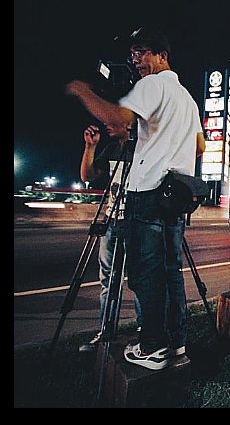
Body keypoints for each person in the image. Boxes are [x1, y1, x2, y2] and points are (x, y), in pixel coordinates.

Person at [66, 27, 205, 371]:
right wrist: (163, 143)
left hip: (148, 193)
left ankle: (153, 347)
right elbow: (200, 146)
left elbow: (116, 117)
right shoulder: (187, 98)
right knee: (170, 272)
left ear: (162, 55)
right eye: (132, 54)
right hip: (176, 194)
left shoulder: (152, 85)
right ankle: (176, 341)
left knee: (145, 275)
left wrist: (82, 91)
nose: (135, 60)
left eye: (142, 52)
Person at [77, 121, 142, 352]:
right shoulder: (112, 149)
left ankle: (145, 332)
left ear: (129, 122)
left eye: (112, 120)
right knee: (109, 280)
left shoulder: (144, 147)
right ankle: (106, 330)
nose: (107, 124)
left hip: (138, 223)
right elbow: (88, 175)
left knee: (140, 280)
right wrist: (90, 147)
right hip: (112, 221)